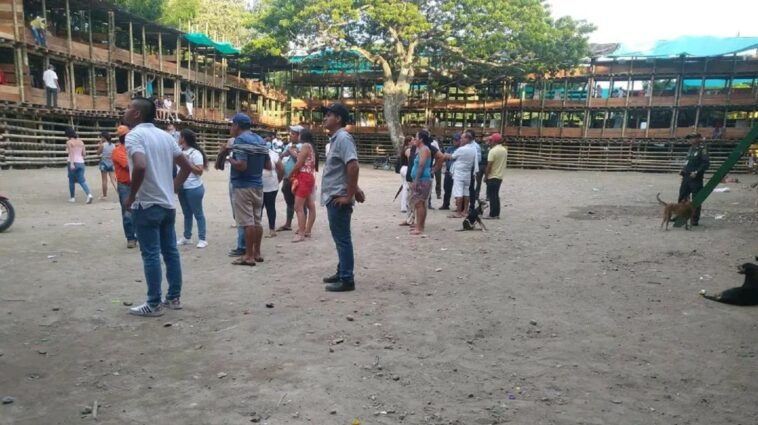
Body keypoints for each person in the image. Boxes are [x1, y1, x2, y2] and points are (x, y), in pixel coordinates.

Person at [122, 97, 193, 317]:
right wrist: (171, 188)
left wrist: (132, 196)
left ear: (136, 114)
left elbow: (140, 165)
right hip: (166, 204)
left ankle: (153, 303)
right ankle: (173, 297)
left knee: (151, 254)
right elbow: (186, 167)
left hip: (146, 203)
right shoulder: (166, 136)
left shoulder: (134, 136)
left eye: (128, 108)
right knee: (170, 252)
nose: (125, 111)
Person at [320, 103, 365, 292]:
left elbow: (353, 166)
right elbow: (344, 169)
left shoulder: (343, 138)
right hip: (335, 194)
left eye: (329, 115)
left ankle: (347, 278)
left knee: (342, 239)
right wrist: (355, 189)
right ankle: (342, 272)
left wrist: (348, 196)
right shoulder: (336, 139)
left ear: (338, 119)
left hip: (338, 197)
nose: (325, 118)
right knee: (340, 238)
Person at [224, 113, 271, 266]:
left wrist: (228, 158)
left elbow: (241, 165)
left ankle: (248, 256)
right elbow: (268, 166)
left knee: (247, 222)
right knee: (257, 221)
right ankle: (257, 252)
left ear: (237, 125)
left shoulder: (239, 141)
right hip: (258, 185)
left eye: (232, 124)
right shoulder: (261, 141)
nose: (231, 127)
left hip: (243, 186)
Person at [176, 129, 209, 248]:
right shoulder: (179, 151)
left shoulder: (195, 153)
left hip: (193, 187)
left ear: (183, 138)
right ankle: (187, 236)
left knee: (198, 213)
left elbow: (199, 171)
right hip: (182, 186)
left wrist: (187, 163)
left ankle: (202, 238)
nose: (178, 138)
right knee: (186, 213)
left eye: (180, 136)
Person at [290, 129, 319, 242]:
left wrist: (291, 173)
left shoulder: (305, 146)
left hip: (304, 176)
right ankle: (307, 230)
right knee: (310, 205)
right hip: (309, 176)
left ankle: (301, 233)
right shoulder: (311, 147)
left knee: (298, 207)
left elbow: (299, 163)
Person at [111, 125, 137, 248]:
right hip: (125, 185)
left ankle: (139, 235)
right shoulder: (118, 151)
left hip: (137, 183)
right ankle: (130, 237)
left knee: (140, 210)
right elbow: (129, 166)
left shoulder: (132, 149)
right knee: (127, 212)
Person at [276, 125, 304, 232]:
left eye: (293, 134)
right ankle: (288, 223)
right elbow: (282, 156)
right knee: (289, 202)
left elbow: (299, 160)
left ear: (299, 135)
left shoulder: (303, 146)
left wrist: (291, 152)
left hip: (297, 178)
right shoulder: (290, 146)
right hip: (288, 177)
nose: (290, 136)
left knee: (300, 202)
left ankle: (302, 226)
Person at [443, 131, 477, 217]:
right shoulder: (473, 149)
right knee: (466, 192)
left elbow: (452, 157)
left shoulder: (461, 149)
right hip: (467, 173)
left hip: (459, 173)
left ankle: (458, 212)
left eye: (462, 138)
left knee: (458, 193)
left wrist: (445, 154)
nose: (461, 139)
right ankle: (465, 211)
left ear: (467, 139)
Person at [678, 134, 709, 226]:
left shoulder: (702, 149)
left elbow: (705, 163)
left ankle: (694, 219)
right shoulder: (691, 148)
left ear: (698, 139)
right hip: (687, 175)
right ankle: (681, 215)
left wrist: (697, 172)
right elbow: (688, 161)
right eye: (689, 138)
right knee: (682, 196)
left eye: (692, 138)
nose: (690, 140)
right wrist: (683, 169)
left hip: (696, 177)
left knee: (696, 198)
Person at [409, 131, 433, 236]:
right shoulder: (424, 149)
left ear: (421, 139)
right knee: (421, 203)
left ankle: (419, 227)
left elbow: (421, 165)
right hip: (423, 179)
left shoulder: (424, 149)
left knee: (419, 203)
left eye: (416, 137)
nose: (415, 139)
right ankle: (420, 225)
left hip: (422, 179)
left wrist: (416, 180)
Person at [262, 137, 284, 238]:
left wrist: (277, 181)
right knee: (258, 208)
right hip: (258, 186)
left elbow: (281, 169)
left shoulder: (274, 154)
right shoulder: (255, 153)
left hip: (271, 186)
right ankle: (256, 227)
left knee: (270, 207)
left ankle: (272, 229)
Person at [65, 127, 93, 204]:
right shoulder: (81, 142)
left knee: (71, 180)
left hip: (73, 162)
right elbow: (84, 154)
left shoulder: (69, 142)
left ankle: (72, 197)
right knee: (82, 180)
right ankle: (89, 194)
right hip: (81, 162)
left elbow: (71, 153)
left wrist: (71, 163)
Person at [484, 133, 508, 219]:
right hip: (500, 175)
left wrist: (485, 176)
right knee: (496, 195)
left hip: (492, 176)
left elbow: (489, 165)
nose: (489, 142)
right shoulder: (504, 150)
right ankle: (496, 213)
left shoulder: (492, 151)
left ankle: (492, 214)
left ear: (494, 141)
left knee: (492, 196)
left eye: (491, 140)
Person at [440, 133, 460, 210]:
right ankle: (445, 204)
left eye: (456, 140)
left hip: (456, 172)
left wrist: (449, 156)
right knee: (447, 189)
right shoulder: (450, 148)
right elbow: (444, 156)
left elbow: (454, 157)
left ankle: (458, 206)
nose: (454, 142)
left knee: (457, 190)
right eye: (454, 140)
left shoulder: (461, 149)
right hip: (448, 171)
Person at [96, 131, 117, 199]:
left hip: (104, 163)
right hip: (111, 163)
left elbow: (98, 153)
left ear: (103, 137)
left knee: (104, 180)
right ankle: (119, 192)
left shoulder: (103, 145)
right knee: (113, 180)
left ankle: (104, 195)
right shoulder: (113, 145)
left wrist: (100, 144)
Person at [396, 136, 412, 213]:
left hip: (403, 168)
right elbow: (410, 160)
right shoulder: (408, 149)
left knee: (405, 186)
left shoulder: (404, 148)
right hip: (406, 168)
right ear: (409, 142)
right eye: (412, 140)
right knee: (406, 187)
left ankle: (404, 205)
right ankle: (404, 206)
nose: (413, 141)